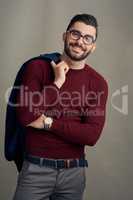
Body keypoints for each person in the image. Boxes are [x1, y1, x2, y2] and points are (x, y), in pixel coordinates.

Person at [13, 13, 108, 200]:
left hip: (74, 173)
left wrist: (48, 122)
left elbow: (91, 135)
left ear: (93, 46)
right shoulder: (37, 68)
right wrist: (57, 83)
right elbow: (25, 116)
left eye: (87, 38)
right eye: (75, 34)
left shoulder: (98, 83)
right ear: (65, 36)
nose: (80, 41)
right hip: (35, 170)